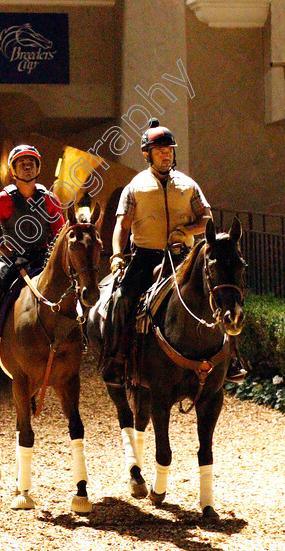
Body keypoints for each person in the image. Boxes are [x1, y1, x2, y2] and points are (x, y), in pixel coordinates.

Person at [103, 118, 246, 383]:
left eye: (170, 151)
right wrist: (116, 256)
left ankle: (232, 357)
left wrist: (186, 231)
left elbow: (206, 219)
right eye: (160, 151)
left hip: (185, 257)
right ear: (147, 154)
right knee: (122, 299)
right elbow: (121, 227)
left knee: (219, 292)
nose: (167, 155)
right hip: (145, 256)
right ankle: (117, 358)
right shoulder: (134, 187)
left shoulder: (188, 185)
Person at [0, 144, 65, 354]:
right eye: (22, 164)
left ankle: (79, 331)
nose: (27, 167)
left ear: (37, 169)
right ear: (13, 171)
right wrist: (7, 255)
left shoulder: (50, 199)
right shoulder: (1, 200)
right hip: (11, 258)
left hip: (43, 258)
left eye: (31, 163)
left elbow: (60, 234)